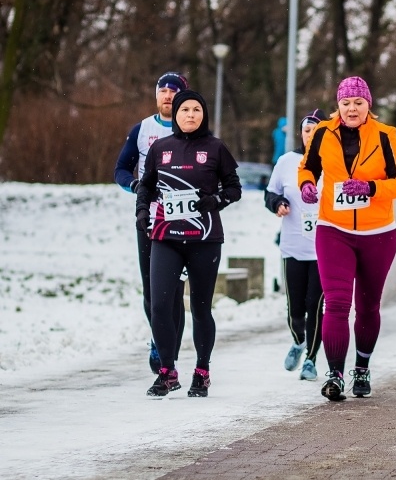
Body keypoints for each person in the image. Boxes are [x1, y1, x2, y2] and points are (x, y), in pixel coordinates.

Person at [297, 76, 396, 401]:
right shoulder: (322, 133)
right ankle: (334, 374)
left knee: (368, 306)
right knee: (336, 304)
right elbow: (308, 167)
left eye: (358, 103)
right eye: (346, 103)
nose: (351, 109)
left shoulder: (386, 136)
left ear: (368, 105)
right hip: (333, 229)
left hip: (378, 234)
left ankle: (361, 368)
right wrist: (306, 185)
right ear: (338, 105)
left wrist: (371, 187)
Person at [135, 90, 242, 397]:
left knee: (200, 308)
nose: (190, 115)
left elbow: (234, 188)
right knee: (159, 305)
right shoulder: (160, 148)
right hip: (165, 237)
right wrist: (142, 211)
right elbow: (146, 186)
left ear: (203, 114)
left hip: (204, 239)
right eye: (185, 110)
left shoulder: (215, 147)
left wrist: (215, 200)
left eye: (196, 109)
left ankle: (202, 371)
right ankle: (167, 371)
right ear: (177, 115)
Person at [114, 71, 189, 374]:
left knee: (175, 291)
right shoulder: (142, 129)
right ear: (156, 95)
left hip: (182, 218)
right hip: (149, 217)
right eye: (163, 90)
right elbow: (121, 169)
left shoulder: (192, 128)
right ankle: (160, 340)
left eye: (174, 91)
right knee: (152, 290)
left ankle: (170, 354)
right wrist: (135, 186)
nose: (168, 96)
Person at [265, 109, 326, 381]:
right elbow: (270, 193)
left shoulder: (334, 164)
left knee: (315, 305)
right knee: (295, 308)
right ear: (301, 134)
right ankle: (299, 341)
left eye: (316, 131)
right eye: (306, 130)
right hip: (293, 247)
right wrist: (278, 203)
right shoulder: (287, 162)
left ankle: (311, 359)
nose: (310, 135)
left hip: (324, 250)